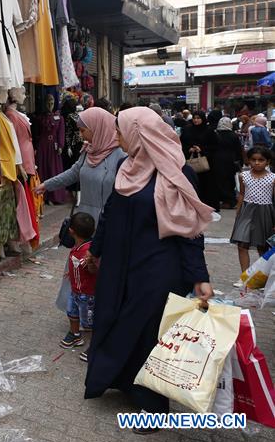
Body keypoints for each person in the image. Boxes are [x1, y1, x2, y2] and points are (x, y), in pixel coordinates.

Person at [85, 106, 213, 424]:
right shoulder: (127, 167)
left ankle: (152, 406)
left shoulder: (177, 173)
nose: (116, 137)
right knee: (114, 320)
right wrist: (96, 250)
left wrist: (199, 277)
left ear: (138, 133)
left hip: (157, 268)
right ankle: (124, 382)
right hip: (119, 266)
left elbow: (190, 231)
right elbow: (109, 213)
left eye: (120, 131)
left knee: (148, 333)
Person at [34, 107, 126, 222]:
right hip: (85, 222)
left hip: (109, 222)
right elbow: (73, 173)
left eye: (83, 131)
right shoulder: (88, 151)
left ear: (96, 128)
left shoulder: (121, 156)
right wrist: (46, 185)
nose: (81, 136)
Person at [230, 146, 275, 276]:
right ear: (248, 160)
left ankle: (261, 277)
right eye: (253, 160)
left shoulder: (272, 178)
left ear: (268, 162)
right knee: (242, 244)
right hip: (246, 210)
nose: (257, 163)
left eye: (261, 160)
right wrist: (238, 213)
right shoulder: (243, 176)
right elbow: (242, 194)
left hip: (265, 212)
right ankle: (245, 276)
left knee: (263, 246)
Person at [60, 212, 97, 364]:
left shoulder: (88, 251)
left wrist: (91, 264)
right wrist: (72, 273)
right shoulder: (77, 247)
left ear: (71, 231)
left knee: (89, 322)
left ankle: (94, 347)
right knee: (72, 313)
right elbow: (76, 264)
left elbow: (93, 270)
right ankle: (75, 335)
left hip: (87, 295)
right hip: (75, 291)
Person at [180, 111, 219, 210]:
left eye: (198, 118)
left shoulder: (209, 131)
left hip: (206, 163)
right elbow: (181, 143)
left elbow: (215, 146)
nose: (196, 120)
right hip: (191, 161)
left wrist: (202, 149)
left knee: (206, 184)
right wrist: (189, 149)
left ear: (203, 119)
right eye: (194, 118)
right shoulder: (187, 130)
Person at [211, 116, 244, 209]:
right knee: (229, 181)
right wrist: (240, 162)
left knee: (218, 180)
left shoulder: (215, 134)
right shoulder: (234, 135)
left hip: (217, 160)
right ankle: (230, 200)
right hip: (230, 161)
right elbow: (238, 150)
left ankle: (222, 199)